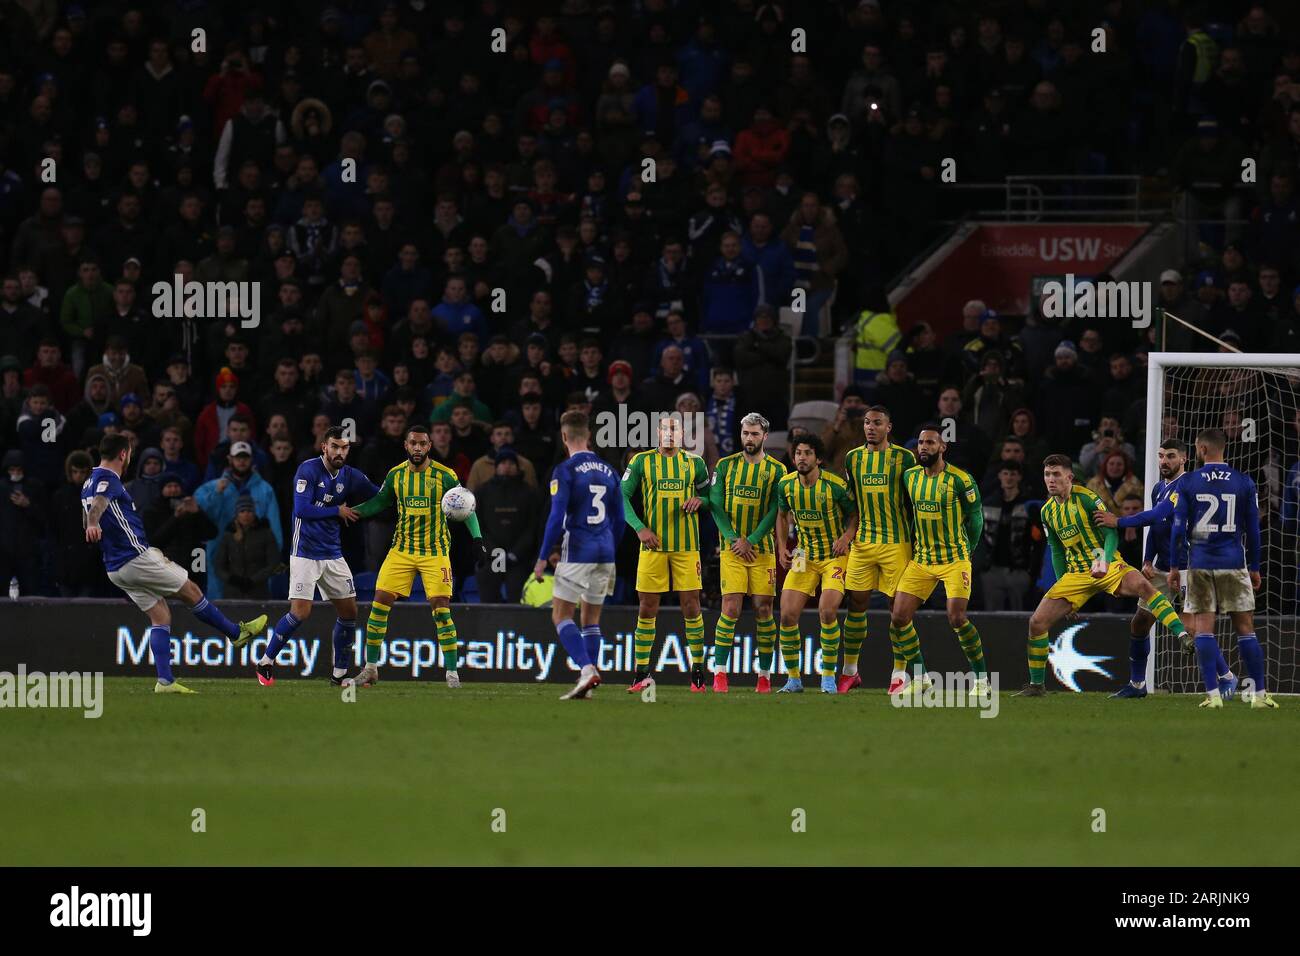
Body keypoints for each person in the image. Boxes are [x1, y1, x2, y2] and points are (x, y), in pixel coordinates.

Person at [82, 434, 267, 694]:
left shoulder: (87, 482)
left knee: (160, 615)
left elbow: (92, 513)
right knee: (191, 591)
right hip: (134, 557)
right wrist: (92, 522)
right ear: (124, 454)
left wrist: (90, 525)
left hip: (115, 568)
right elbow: (98, 506)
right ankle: (236, 634)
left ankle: (165, 681)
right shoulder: (107, 479)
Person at [1020, 455, 1188, 698]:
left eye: (1056, 474)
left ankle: (1181, 634)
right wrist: (1063, 586)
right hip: (1077, 574)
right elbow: (1057, 550)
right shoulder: (1047, 512)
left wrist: (1105, 561)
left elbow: (1111, 534)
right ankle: (1036, 685)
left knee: (1143, 585)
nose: (1051, 480)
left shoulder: (1087, 498)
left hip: (1107, 565)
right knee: (1036, 623)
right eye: (1047, 475)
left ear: (1070, 477)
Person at [1091, 437, 1235, 698]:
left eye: (1170, 456)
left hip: (1191, 567)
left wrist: (1118, 521)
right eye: (1160, 456)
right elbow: (1157, 528)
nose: (1164, 461)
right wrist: (1147, 559)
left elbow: (1156, 515)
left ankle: (1226, 677)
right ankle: (1137, 685)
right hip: (1162, 566)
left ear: (1184, 459)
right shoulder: (1159, 488)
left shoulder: (1188, 484)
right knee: (1140, 622)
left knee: (1193, 629)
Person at [350, 424, 488, 689]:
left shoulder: (446, 475)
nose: (417, 448)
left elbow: (466, 506)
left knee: (441, 610)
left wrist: (478, 539)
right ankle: (370, 669)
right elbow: (380, 502)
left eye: (422, 444)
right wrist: (352, 512)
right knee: (379, 603)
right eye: (413, 443)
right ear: (406, 445)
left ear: (429, 447)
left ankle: (451, 674)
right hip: (401, 550)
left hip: (435, 552)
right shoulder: (396, 475)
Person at [255, 427, 378, 686]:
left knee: (349, 613)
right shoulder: (308, 470)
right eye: (334, 446)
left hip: (332, 553)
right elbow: (301, 509)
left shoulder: (350, 475)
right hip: (305, 553)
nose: (339, 452)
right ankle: (266, 661)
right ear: (324, 447)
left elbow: (379, 495)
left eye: (344, 447)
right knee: (300, 613)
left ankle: (339, 676)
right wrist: (337, 511)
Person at [1169, 429, 1275, 709]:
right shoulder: (1243, 482)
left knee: (1204, 630)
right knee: (1245, 629)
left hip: (1200, 564)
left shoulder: (1188, 482)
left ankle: (1214, 696)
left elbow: (1178, 530)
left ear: (1202, 449)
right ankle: (1260, 696)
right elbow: (1254, 529)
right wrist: (1254, 567)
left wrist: (1173, 566)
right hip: (1233, 563)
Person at [889, 425, 989, 698]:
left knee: (957, 618)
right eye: (921, 442)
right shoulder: (910, 477)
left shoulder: (960, 479)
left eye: (931, 443)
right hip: (922, 561)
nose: (924, 447)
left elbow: (976, 518)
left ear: (943, 447)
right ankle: (921, 678)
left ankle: (981, 680)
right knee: (899, 618)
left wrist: (968, 550)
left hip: (955, 560)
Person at [533, 411, 626, 700]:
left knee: (560, 614)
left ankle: (586, 669)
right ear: (588, 436)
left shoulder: (565, 470)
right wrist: (610, 547)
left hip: (578, 551)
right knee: (591, 620)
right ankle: (588, 680)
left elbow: (556, 516)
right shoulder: (610, 470)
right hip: (606, 551)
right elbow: (620, 520)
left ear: (564, 436)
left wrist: (543, 554)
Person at [622, 414, 711, 692]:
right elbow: (620, 496)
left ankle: (698, 671)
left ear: (682, 434)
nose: (670, 434)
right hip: (653, 546)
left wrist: (702, 500)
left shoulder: (695, 463)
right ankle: (642, 673)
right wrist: (639, 528)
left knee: (691, 606)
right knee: (647, 607)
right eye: (665, 429)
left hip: (686, 548)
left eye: (675, 429)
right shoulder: (641, 462)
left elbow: (713, 499)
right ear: (657, 434)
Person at [839, 405, 917, 691]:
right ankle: (850, 670)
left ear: (889, 427)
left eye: (877, 423)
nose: (871, 427)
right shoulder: (853, 459)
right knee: (856, 603)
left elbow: (914, 502)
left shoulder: (904, 459)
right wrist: (849, 534)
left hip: (896, 543)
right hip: (863, 543)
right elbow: (854, 503)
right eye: (867, 423)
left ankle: (898, 675)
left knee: (897, 609)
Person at [708, 412, 786, 692]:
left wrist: (751, 540)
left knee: (764, 609)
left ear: (765, 436)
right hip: (732, 550)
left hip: (761, 550)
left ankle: (764, 676)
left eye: (754, 434)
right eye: (745, 433)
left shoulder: (777, 470)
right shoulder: (725, 465)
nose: (749, 438)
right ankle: (719, 673)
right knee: (730, 607)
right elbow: (715, 504)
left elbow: (775, 509)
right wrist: (733, 539)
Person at [774, 433, 856, 694]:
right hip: (803, 555)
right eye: (798, 453)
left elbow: (854, 515)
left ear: (818, 458)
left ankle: (828, 677)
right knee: (786, 614)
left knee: (827, 611)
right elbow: (781, 514)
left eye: (808, 453)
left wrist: (846, 536)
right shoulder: (786, 485)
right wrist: (781, 548)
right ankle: (794, 679)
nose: (802, 457)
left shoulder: (835, 486)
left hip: (834, 555)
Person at [215, 497, 283, 600]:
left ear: (254, 513)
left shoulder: (266, 534)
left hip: (259, 592)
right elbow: (219, 566)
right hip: (233, 594)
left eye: (249, 511)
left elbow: (274, 564)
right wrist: (233, 580)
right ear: (237, 514)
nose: (246, 514)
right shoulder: (228, 535)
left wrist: (253, 581)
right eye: (242, 511)